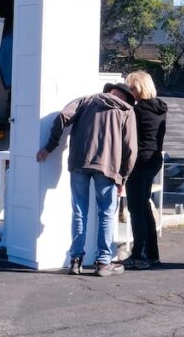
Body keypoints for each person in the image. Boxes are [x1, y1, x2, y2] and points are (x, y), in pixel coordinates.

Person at [36, 83, 137, 277]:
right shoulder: (126, 111)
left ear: (110, 91)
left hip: (79, 163)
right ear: (125, 98)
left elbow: (62, 117)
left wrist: (51, 146)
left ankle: (75, 261)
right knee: (106, 214)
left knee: (79, 211)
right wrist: (123, 178)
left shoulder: (86, 100)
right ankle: (103, 263)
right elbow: (130, 149)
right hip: (108, 168)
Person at [122, 71, 168, 270]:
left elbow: (130, 138)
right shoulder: (160, 108)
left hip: (140, 161)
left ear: (141, 87)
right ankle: (152, 253)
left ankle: (139, 254)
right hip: (154, 159)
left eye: (132, 88)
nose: (130, 92)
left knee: (136, 209)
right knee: (144, 207)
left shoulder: (137, 111)